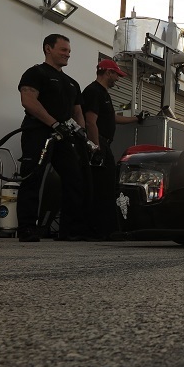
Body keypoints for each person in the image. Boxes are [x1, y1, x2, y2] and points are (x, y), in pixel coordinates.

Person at [17, 33, 88, 242]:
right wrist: (53, 123)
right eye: (63, 50)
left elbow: (78, 113)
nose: (67, 55)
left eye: (69, 51)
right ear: (48, 49)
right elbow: (28, 101)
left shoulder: (72, 83)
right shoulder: (35, 73)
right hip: (38, 132)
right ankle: (27, 229)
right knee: (32, 177)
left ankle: (69, 230)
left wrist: (81, 134)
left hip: (64, 136)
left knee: (74, 178)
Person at [82, 59, 145, 240]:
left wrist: (135, 119)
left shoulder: (103, 94)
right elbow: (90, 121)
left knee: (105, 186)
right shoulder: (94, 91)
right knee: (103, 187)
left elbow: (112, 118)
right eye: (116, 75)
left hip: (103, 143)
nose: (117, 79)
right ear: (108, 72)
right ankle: (100, 230)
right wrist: (96, 148)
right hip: (99, 144)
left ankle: (102, 229)